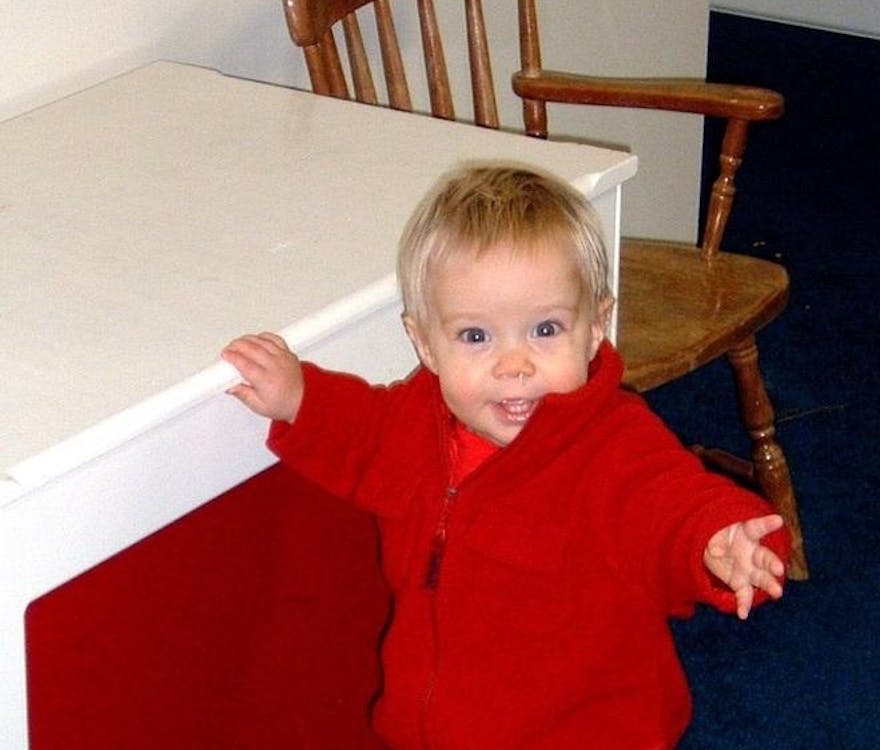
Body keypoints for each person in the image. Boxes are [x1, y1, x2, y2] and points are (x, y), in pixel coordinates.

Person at [222, 165, 790, 750]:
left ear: (595, 328)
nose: (514, 365)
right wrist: (299, 398)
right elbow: (361, 430)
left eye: (545, 330)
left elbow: (668, 502)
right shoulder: (416, 421)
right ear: (425, 345)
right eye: (476, 337)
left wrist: (715, 538)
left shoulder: (610, 445)